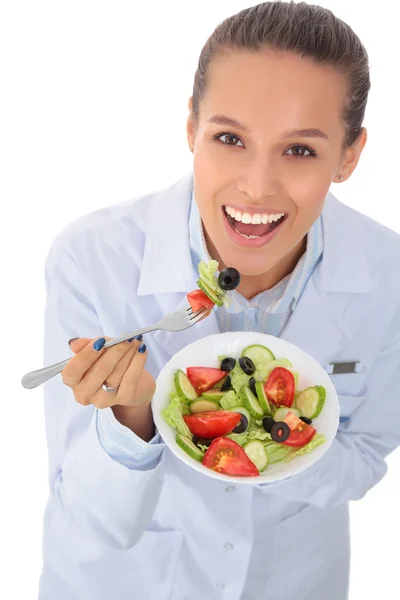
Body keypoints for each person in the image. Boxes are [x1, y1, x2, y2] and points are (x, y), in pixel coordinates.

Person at [38, 2, 400, 599]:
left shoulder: (387, 275)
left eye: (301, 150)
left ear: (350, 155)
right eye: (230, 138)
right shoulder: (93, 258)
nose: (257, 186)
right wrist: (133, 419)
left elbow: (362, 460)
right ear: (190, 127)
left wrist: (267, 442)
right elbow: (96, 520)